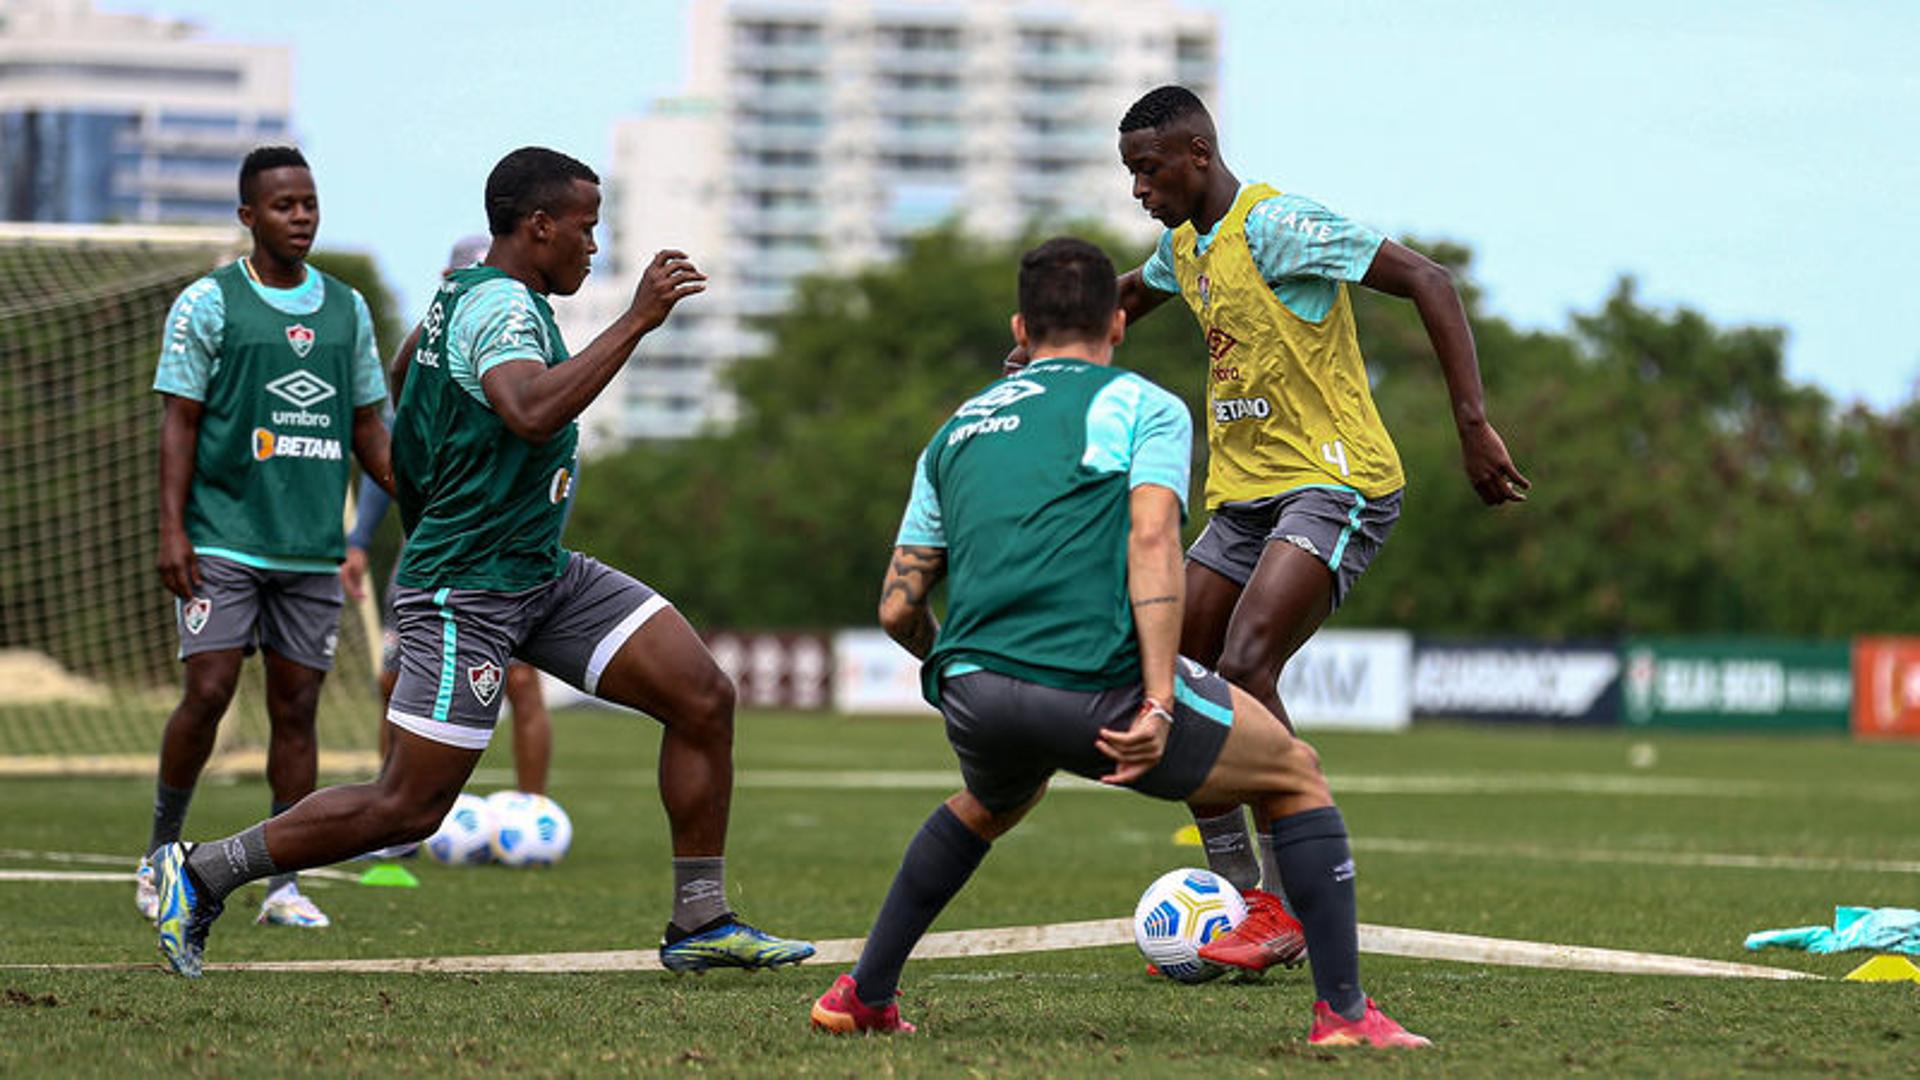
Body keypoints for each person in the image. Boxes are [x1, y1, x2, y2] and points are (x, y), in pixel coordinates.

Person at [151, 146, 814, 978]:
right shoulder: (499, 307)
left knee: (703, 695)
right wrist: (637, 318)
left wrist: (424, 472)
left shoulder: (462, 295)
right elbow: (529, 409)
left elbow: (403, 381)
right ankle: (203, 871)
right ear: (539, 227)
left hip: (540, 570)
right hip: (469, 588)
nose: (594, 248)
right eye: (586, 228)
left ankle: (701, 919)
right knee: (408, 807)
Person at [810, 236, 1428, 1048]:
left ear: (1020, 327)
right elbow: (1151, 545)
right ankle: (1346, 1016)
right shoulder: (1143, 406)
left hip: (971, 684)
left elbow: (898, 608)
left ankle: (863, 994)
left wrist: (958, 666)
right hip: (1092, 686)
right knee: (1294, 771)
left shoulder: (956, 429)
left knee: (992, 801)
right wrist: (1161, 700)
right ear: (1118, 323)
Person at [1011, 85, 1531, 973]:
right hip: (1247, 498)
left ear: (1198, 156)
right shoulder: (1186, 247)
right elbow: (1131, 295)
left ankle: (1287, 906)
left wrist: (1472, 425)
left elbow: (1427, 280)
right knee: (1171, 665)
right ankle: (1237, 887)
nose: (1139, 190)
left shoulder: (1278, 225)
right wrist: (1055, 350)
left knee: (1248, 661)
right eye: (1130, 174)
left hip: (1337, 482)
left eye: (1148, 171)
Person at [137, 146, 394, 932]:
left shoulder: (345, 309)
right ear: (249, 217)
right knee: (208, 690)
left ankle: (283, 883)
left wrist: (422, 492)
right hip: (223, 539)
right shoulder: (208, 304)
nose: (302, 216)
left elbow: (367, 429)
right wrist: (173, 530)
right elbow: (179, 423)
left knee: (298, 709)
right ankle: (161, 855)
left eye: (310, 202)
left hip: (310, 549)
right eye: (284, 205)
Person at [342, 235, 552, 803]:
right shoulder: (430, 356)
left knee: (523, 682)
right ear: (446, 280)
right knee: (395, 681)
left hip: (509, 560)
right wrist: (360, 540)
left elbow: (556, 454)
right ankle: (391, 812)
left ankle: (531, 812)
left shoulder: (516, 342)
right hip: (433, 559)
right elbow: (396, 454)